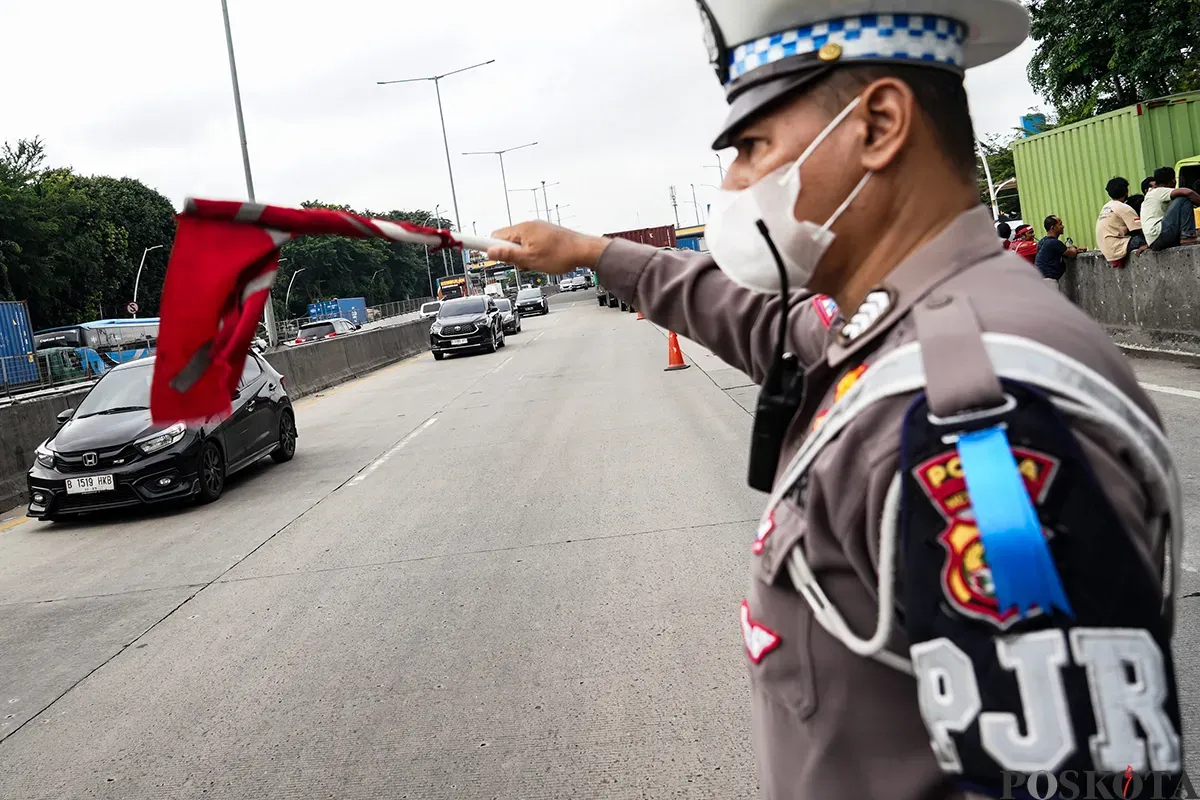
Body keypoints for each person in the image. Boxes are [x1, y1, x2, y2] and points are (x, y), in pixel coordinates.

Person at [488, 1, 1184, 798]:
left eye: (752, 148)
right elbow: (765, 324)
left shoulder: (973, 413)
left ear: (880, 124)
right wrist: (591, 253)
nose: (734, 185)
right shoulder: (890, 332)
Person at [1141, 165, 1200, 251]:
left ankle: (1186, 236)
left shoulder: (1152, 194)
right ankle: (1187, 237)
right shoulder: (1159, 191)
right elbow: (1188, 192)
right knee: (1183, 199)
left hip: (1155, 240)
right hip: (1160, 235)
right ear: (1173, 180)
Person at [1096, 176, 1146, 267]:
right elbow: (1140, 229)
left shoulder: (1106, 207)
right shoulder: (1124, 208)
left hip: (1107, 249)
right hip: (1118, 246)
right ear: (1126, 192)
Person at [1033, 215, 1078, 283]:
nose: (1063, 226)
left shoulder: (1042, 241)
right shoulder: (1054, 242)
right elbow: (1072, 254)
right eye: (1060, 224)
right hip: (1048, 280)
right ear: (1052, 227)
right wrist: (1073, 247)